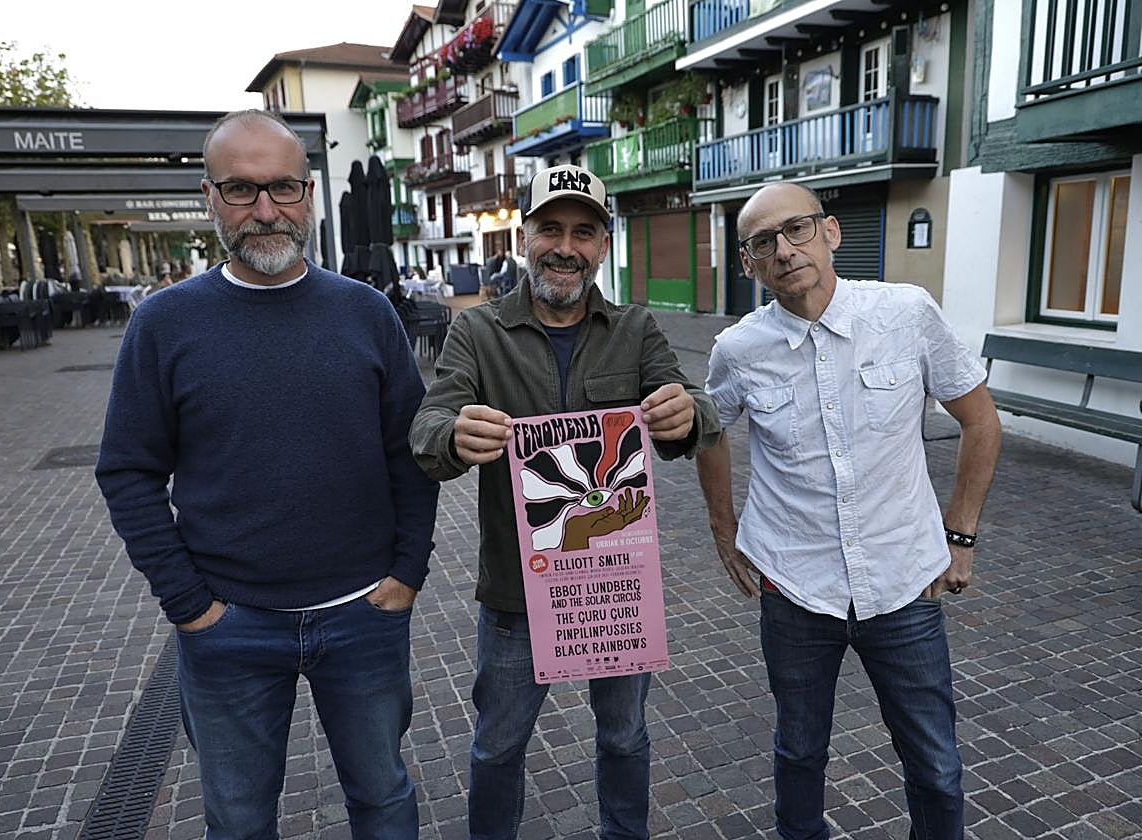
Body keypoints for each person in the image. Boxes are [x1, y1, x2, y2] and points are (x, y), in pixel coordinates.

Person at [95, 109, 439, 840]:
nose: (265, 210)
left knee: (383, 799)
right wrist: (190, 606)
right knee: (240, 820)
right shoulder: (163, 324)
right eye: (242, 190)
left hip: (364, 617)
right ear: (209, 197)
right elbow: (127, 470)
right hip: (230, 626)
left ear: (309, 192)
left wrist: (409, 570)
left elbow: (408, 452)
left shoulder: (367, 312)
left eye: (283, 187)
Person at [411, 164, 722, 840]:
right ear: (525, 236)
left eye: (584, 232)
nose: (565, 247)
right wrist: (455, 434)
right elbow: (428, 428)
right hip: (517, 596)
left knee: (624, 738)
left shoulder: (636, 328)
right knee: (497, 747)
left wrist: (685, 413)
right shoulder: (478, 332)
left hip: (615, 589)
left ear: (603, 246)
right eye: (550, 228)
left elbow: (693, 408)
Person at [695, 182, 1001, 840]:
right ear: (748, 264)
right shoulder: (737, 349)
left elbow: (981, 422)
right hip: (796, 587)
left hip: (905, 582)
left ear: (831, 233)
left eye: (798, 229)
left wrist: (961, 537)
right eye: (763, 243)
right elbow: (709, 430)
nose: (785, 250)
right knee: (799, 754)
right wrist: (725, 530)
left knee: (937, 766)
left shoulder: (906, 313)